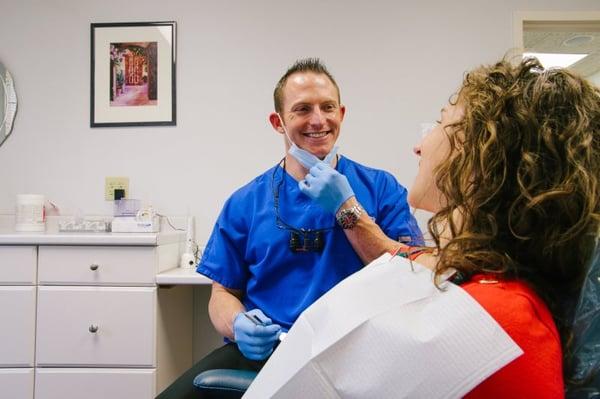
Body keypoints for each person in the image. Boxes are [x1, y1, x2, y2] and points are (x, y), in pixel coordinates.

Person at [156, 58, 421, 398]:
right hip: (270, 354)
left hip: (356, 357)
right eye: (302, 109)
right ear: (277, 122)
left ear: (341, 113)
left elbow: (409, 274)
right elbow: (222, 294)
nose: (318, 120)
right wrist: (238, 326)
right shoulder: (245, 202)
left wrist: (347, 208)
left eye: (327, 108)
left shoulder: (381, 189)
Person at [403, 57, 599, 396]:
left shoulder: (500, 320)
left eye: (440, 121)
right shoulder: (493, 291)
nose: (418, 146)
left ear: (475, 151)